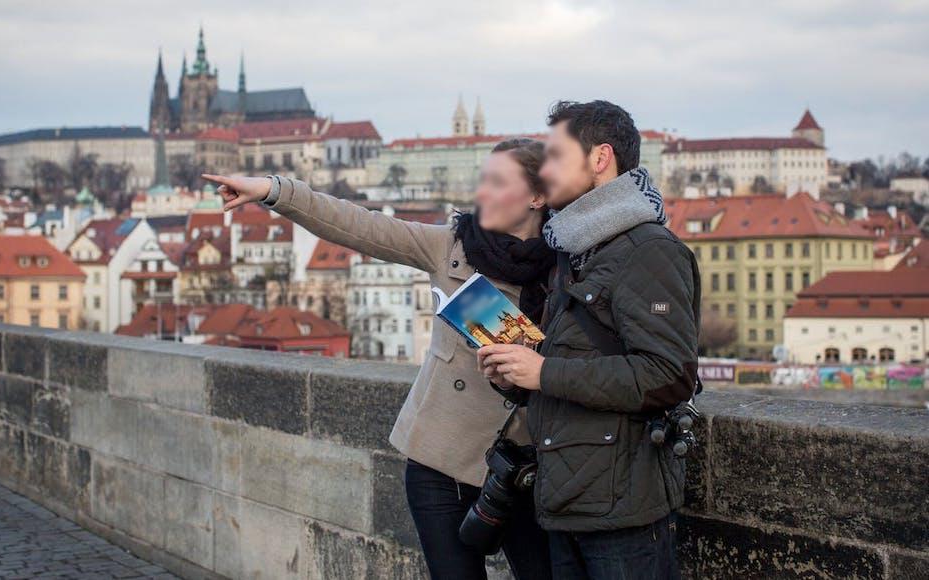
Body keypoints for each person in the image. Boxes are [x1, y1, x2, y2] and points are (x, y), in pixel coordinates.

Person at [202, 139, 555, 580]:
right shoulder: (451, 245)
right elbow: (358, 225)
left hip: (522, 469)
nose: (482, 192)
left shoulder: (564, 267)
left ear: (538, 196)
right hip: (440, 461)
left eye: (498, 182)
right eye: (483, 179)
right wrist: (274, 190)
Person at [478, 100, 700, 580]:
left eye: (556, 156)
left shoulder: (649, 251)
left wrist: (543, 372)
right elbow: (571, 367)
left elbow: (668, 375)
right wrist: (516, 373)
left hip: (623, 507)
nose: (545, 171)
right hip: (568, 498)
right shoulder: (576, 249)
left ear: (601, 159)